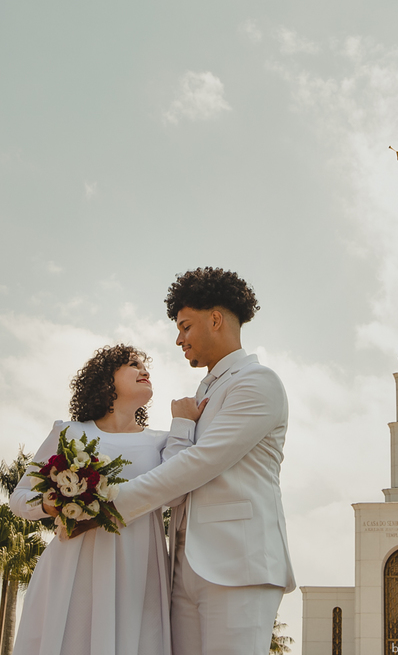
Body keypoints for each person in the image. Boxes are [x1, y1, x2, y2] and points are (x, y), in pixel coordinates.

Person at [111, 267, 295, 655]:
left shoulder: (257, 382)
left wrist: (111, 503)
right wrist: (180, 422)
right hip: (183, 569)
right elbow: (180, 479)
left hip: (239, 566)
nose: (179, 339)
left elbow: (201, 463)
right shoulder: (201, 393)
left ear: (215, 319)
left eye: (185, 326)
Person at [10, 344, 177, 655]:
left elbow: (176, 493)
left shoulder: (163, 442)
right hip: (74, 566)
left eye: (144, 365)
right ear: (105, 380)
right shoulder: (68, 432)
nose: (145, 370)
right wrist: (53, 503)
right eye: (132, 364)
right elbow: (19, 498)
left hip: (138, 569)